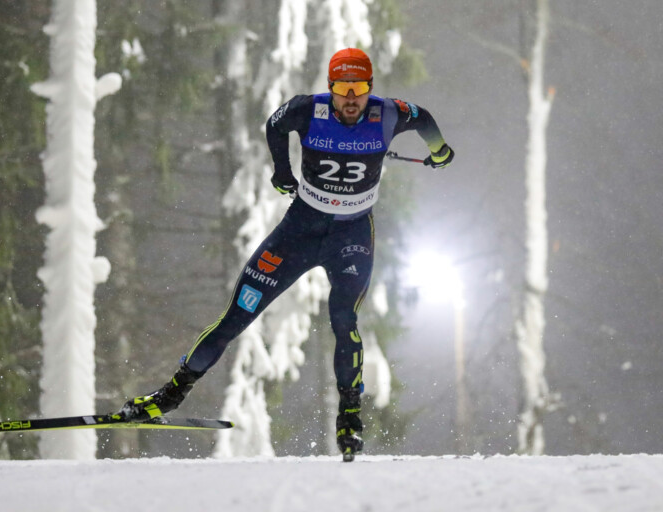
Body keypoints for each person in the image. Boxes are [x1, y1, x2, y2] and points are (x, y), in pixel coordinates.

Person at [117, 48, 454, 459]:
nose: (351, 98)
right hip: (298, 232)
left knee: (344, 318)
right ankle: (168, 396)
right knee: (236, 316)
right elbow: (274, 125)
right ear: (330, 87)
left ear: (371, 88)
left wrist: (439, 150)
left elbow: (425, 119)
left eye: (360, 88)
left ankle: (350, 417)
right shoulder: (309, 111)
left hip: (350, 236)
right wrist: (281, 171)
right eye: (343, 88)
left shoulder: (388, 114)